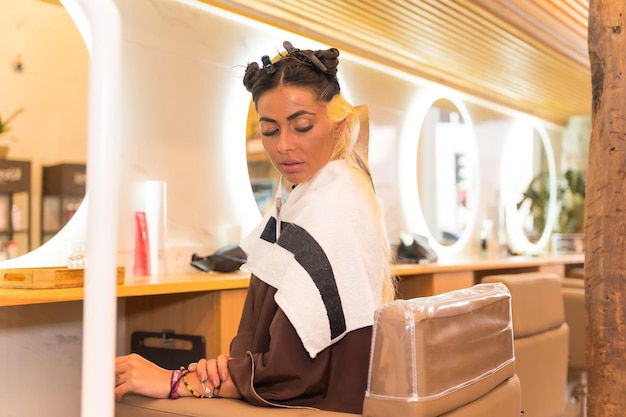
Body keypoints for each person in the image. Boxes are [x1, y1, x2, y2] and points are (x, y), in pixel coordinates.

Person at [114, 40, 395, 414]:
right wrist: (225, 371)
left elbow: (292, 374)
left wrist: (175, 380)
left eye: (302, 126)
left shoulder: (334, 205)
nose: (284, 146)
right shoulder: (310, 196)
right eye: (269, 130)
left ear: (338, 124)